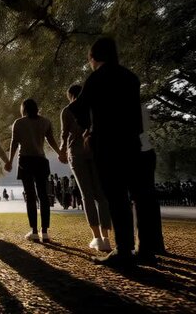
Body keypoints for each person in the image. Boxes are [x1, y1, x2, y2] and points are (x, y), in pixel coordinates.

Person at [70, 37, 144, 267]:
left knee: (116, 195)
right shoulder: (130, 77)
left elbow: (79, 107)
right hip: (131, 140)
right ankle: (145, 246)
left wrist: (87, 131)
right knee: (136, 195)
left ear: (94, 58)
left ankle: (124, 249)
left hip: (108, 141)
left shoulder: (97, 78)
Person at [60, 84, 112, 252]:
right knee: (102, 196)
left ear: (70, 96)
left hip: (76, 153)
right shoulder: (95, 108)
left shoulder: (68, 110)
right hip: (96, 152)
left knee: (86, 195)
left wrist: (61, 151)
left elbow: (64, 134)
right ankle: (106, 238)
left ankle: (96, 237)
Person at [6, 99, 65, 243]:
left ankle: (33, 230)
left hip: (25, 161)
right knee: (43, 195)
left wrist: (9, 161)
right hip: (41, 160)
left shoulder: (19, 123)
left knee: (30, 196)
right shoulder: (45, 122)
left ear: (23, 109)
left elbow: (14, 143)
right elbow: (51, 140)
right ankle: (44, 231)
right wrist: (59, 153)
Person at [129, 104, 166, 258]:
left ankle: (142, 246)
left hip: (132, 151)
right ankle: (156, 242)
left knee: (137, 199)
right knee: (149, 198)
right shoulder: (141, 106)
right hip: (147, 150)